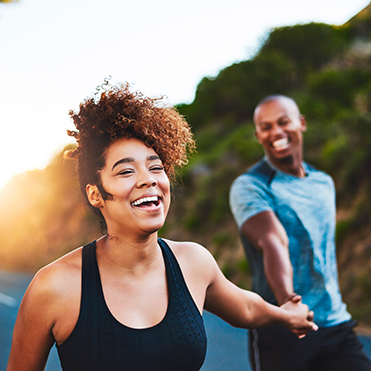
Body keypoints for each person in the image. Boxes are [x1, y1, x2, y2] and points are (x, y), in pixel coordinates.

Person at [7, 85, 316, 371]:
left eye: (156, 167)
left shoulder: (193, 262)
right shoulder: (54, 286)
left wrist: (286, 315)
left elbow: (246, 308)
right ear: (96, 193)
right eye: (126, 170)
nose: (148, 179)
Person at [229, 94, 371, 371]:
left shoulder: (323, 183)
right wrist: (288, 303)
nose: (276, 132)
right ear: (258, 134)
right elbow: (273, 240)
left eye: (283, 122)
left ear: (301, 123)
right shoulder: (250, 186)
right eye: (266, 126)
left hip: (334, 322)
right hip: (282, 326)